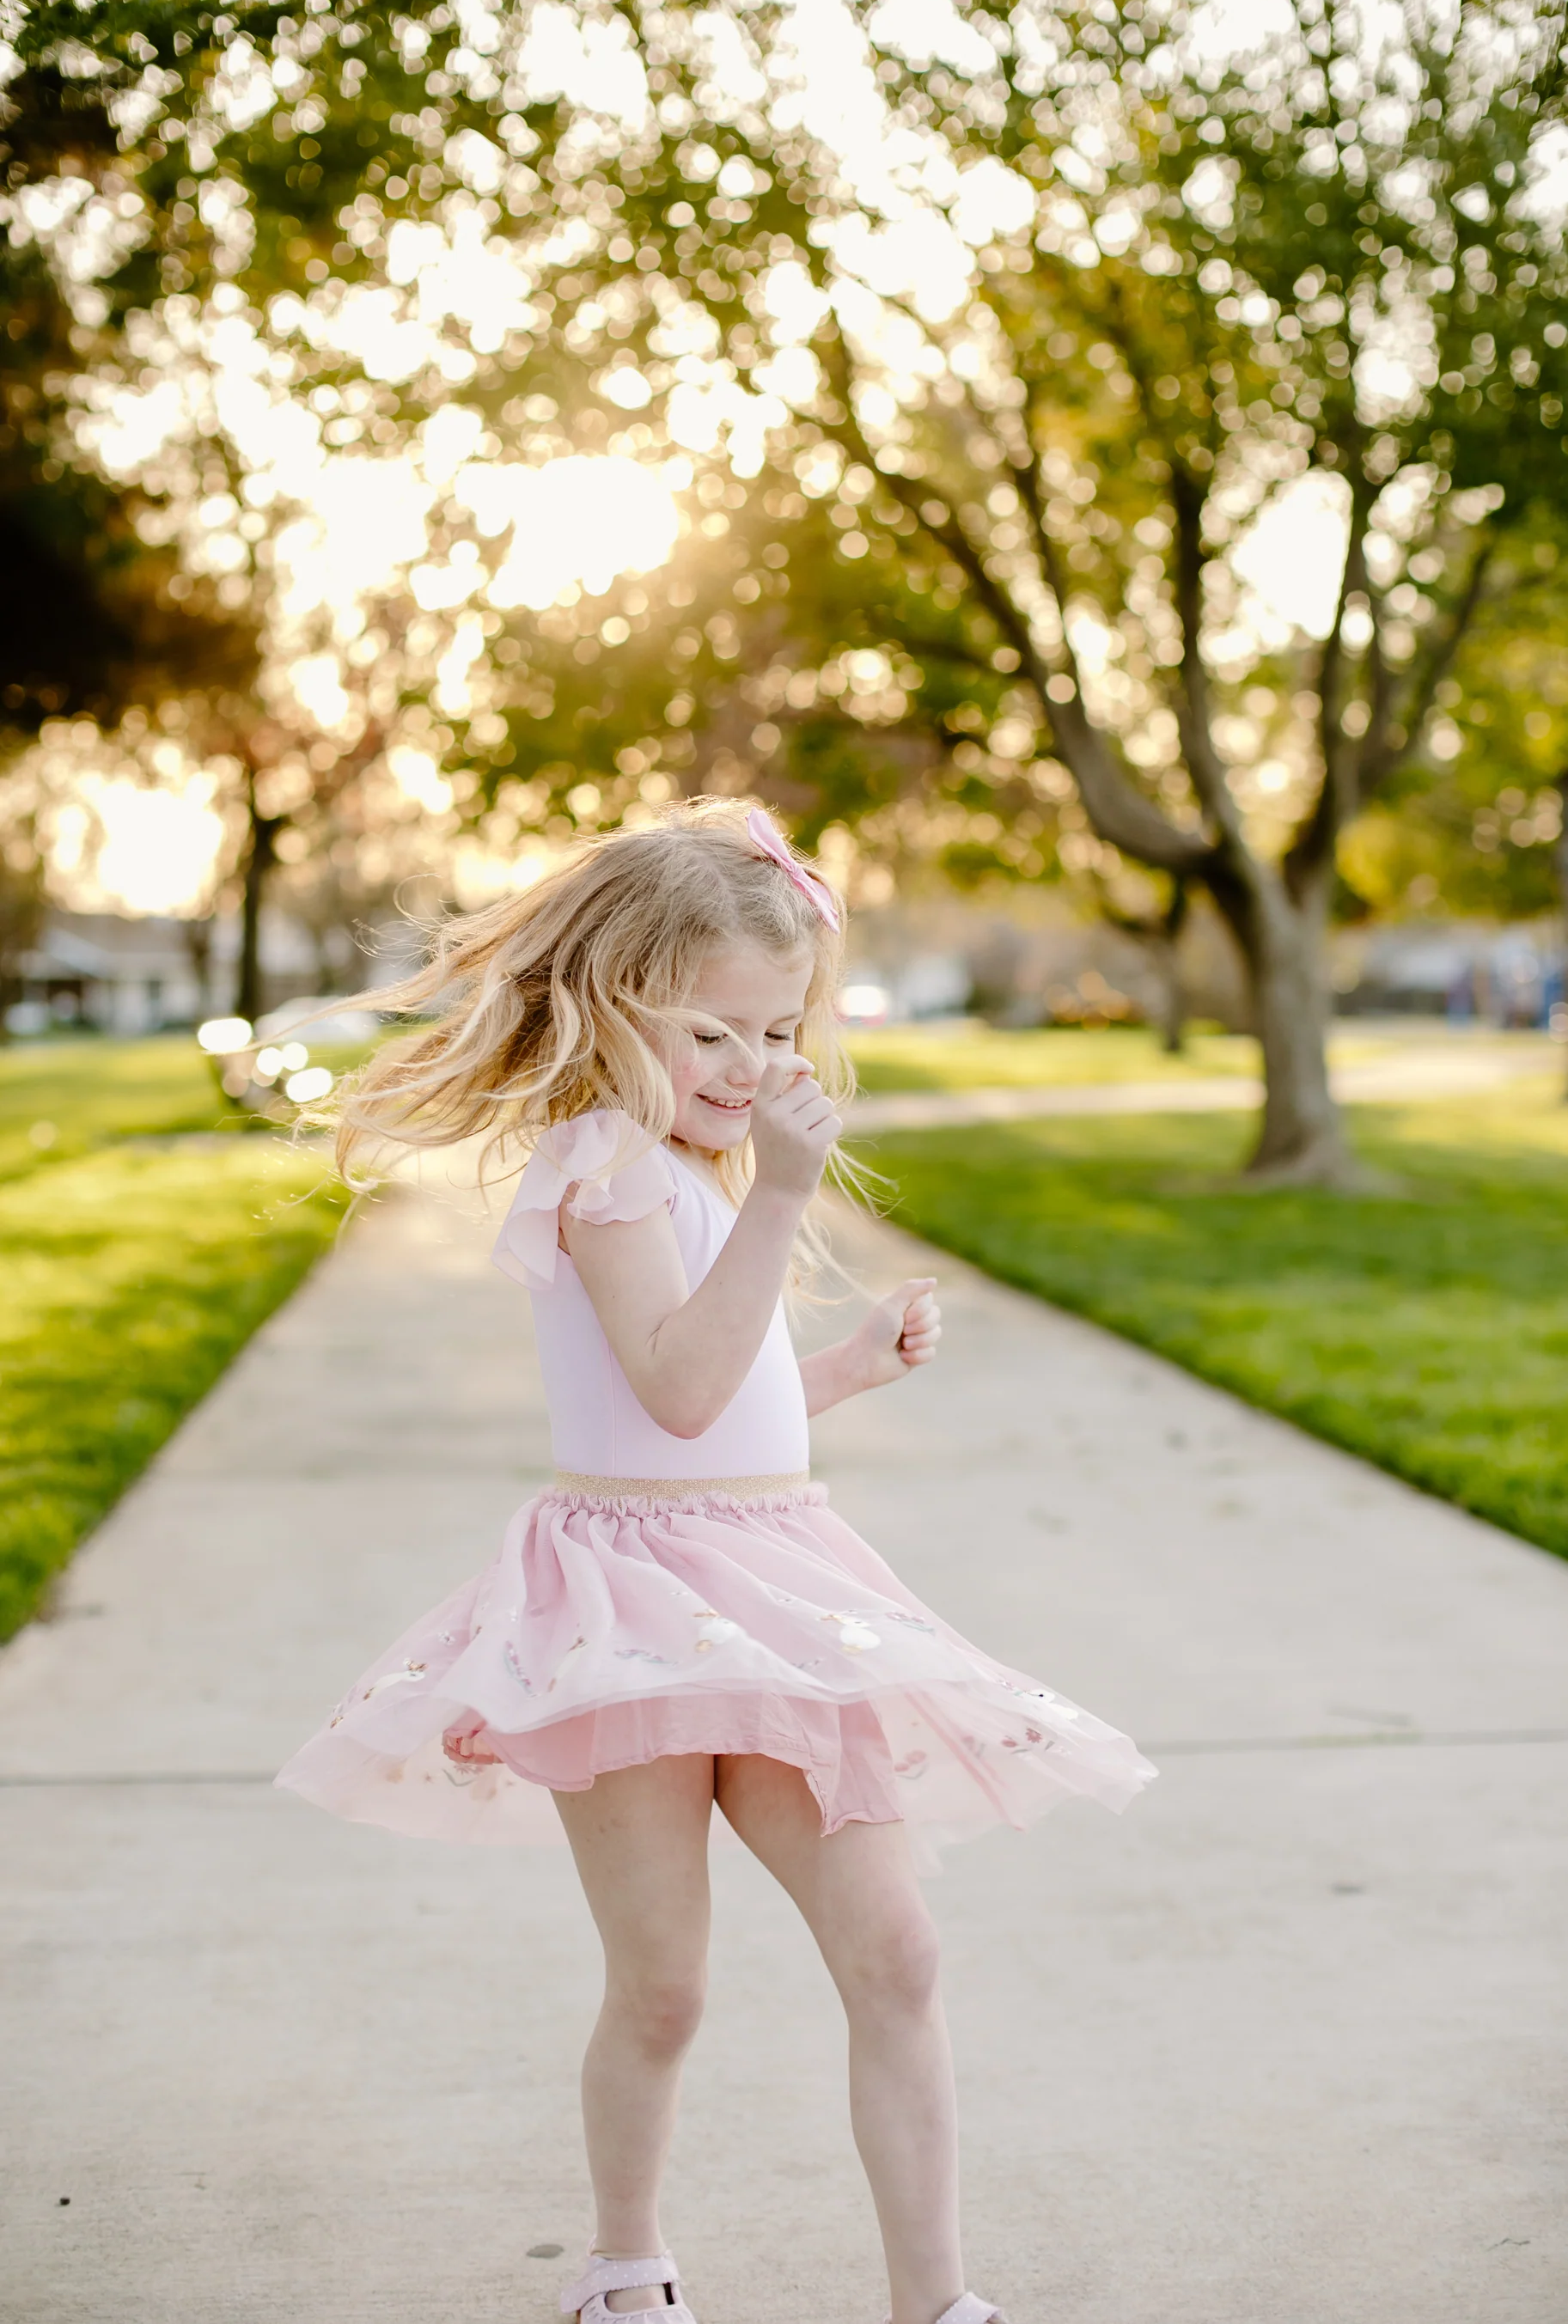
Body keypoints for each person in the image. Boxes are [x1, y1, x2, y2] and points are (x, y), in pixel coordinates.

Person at [278, 799, 1154, 2324]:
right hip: (630, 1612)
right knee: (665, 1984)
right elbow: (674, 1391)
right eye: (714, 1036)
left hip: (778, 1581)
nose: (753, 1072)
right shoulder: (603, 1159)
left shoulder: (703, 1163)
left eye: (776, 1033)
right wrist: (793, 1200)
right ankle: (625, 2269)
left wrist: (843, 1370)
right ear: (616, 1008)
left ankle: (934, 2303)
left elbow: (717, 1405)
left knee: (898, 1950)